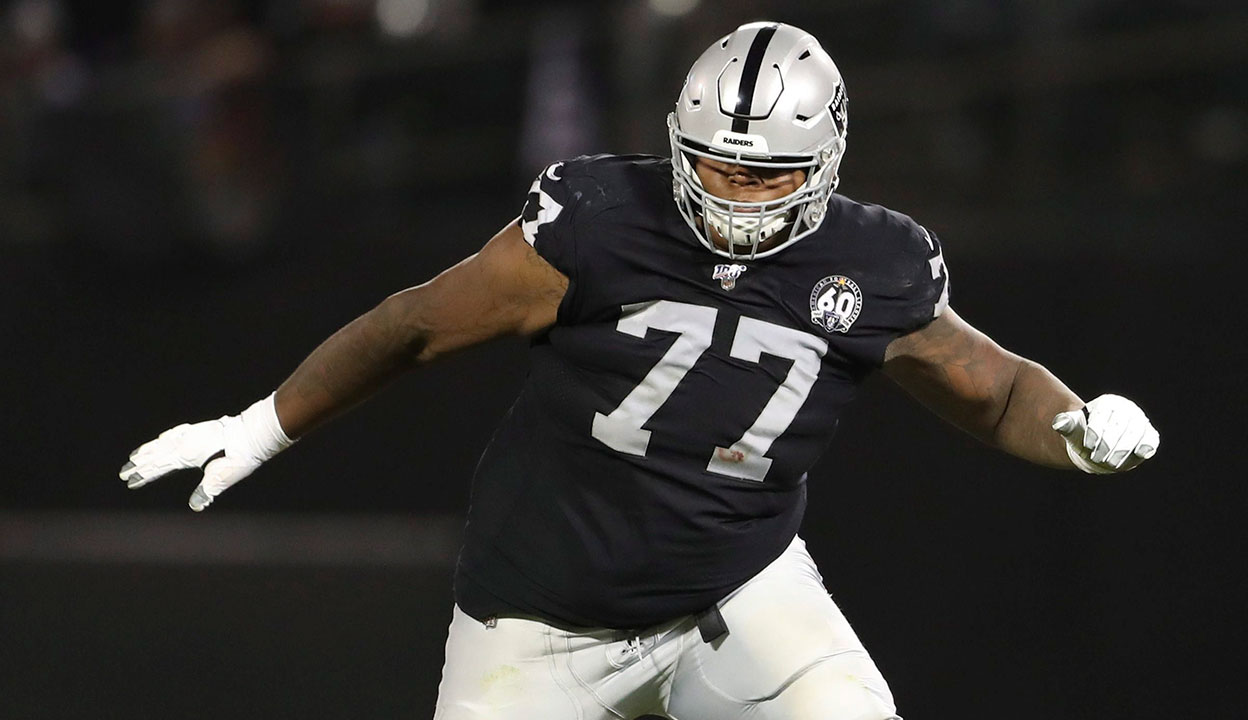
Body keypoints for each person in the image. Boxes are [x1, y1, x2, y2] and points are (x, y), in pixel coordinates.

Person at [119, 22, 1159, 720]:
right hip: (535, 618)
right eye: (713, 161)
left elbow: (991, 387)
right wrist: (261, 424)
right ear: (676, 142)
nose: (736, 188)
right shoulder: (597, 224)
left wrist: (1073, 426)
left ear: (826, 161)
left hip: (731, 591)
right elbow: (417, 324)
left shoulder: (873, 260)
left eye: (764, 170)